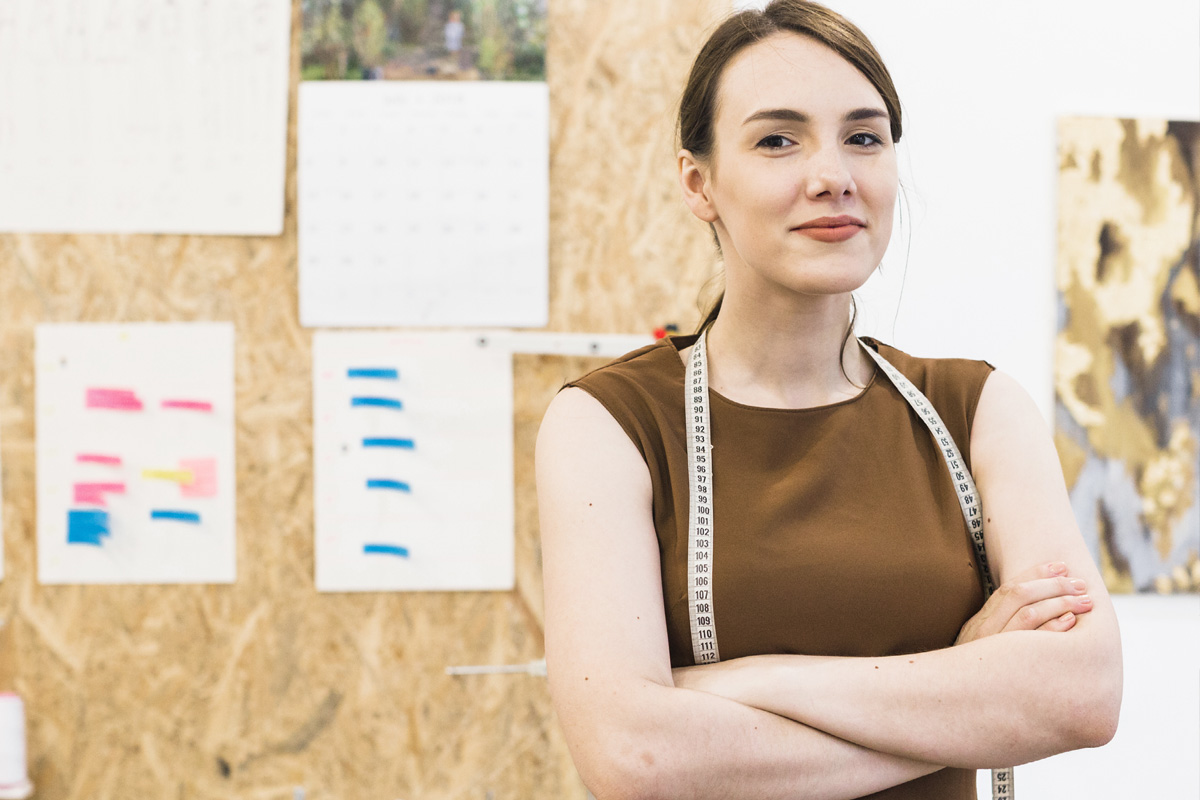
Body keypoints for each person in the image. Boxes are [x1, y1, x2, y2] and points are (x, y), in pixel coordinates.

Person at [535, 2, 1123, 799]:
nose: (832, 175)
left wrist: (739, 683)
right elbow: (635, 758)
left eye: (863, 136)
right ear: (698, 182)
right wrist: (969, 690)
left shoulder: (978, 409)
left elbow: (1082, 695)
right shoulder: (610, 425)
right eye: (778, 139)